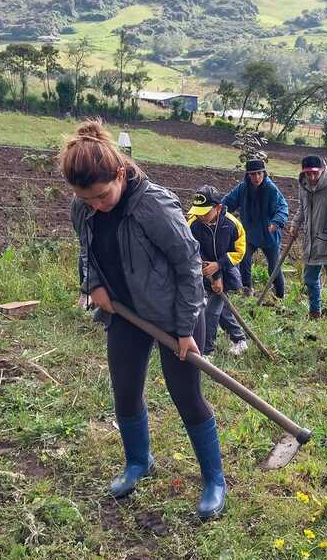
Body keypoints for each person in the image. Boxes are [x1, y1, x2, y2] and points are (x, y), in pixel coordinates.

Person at [64, 120, 226, 520]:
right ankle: (139, 462)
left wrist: (186, 328)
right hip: (124, 313)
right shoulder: (82, 208)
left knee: (187, 396)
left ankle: (214, 480)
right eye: (87, 200)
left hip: (175, 316)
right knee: (125, 391)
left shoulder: (154, 205)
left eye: (102, 196)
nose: (96, 205)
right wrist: (94, 285)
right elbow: (88, 251)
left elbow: (188, 264)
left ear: (120, 173)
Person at [187, 185, 249, 357]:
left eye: (205, 212)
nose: (201, 216)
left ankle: (207, 351)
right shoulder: (193, 223)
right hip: (203, 273)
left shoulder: (232, 225)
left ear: (218, 208)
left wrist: (219, 266)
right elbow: (191, 248)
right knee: (221, 311)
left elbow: (239, 252)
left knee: (211, 312)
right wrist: (212, 274)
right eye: (198, 211)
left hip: (227, 274)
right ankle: (239, 339)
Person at [222, 158, 289, 300]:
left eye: (259, 173)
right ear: (248, 175)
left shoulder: (271, 189)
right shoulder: (242, 189)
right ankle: (247, 290)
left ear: (264, 173)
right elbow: (228, 203)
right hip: (249, 233)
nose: (256, 177)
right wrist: (217, 212)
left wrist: (276, 222)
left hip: (269, 234)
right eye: (253, 174)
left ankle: (280, 296)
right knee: (244, 259)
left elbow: (282, 207)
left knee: (274, 267)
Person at [289, 156, 327, 319]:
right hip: (312, 243)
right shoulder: (304, 186)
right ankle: (315, 312)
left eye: (315, 173)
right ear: (304, 173)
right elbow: (302, 208)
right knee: (310, 279)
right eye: (308, 174)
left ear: (322, 170)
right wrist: (295, 224)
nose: (312, 177)